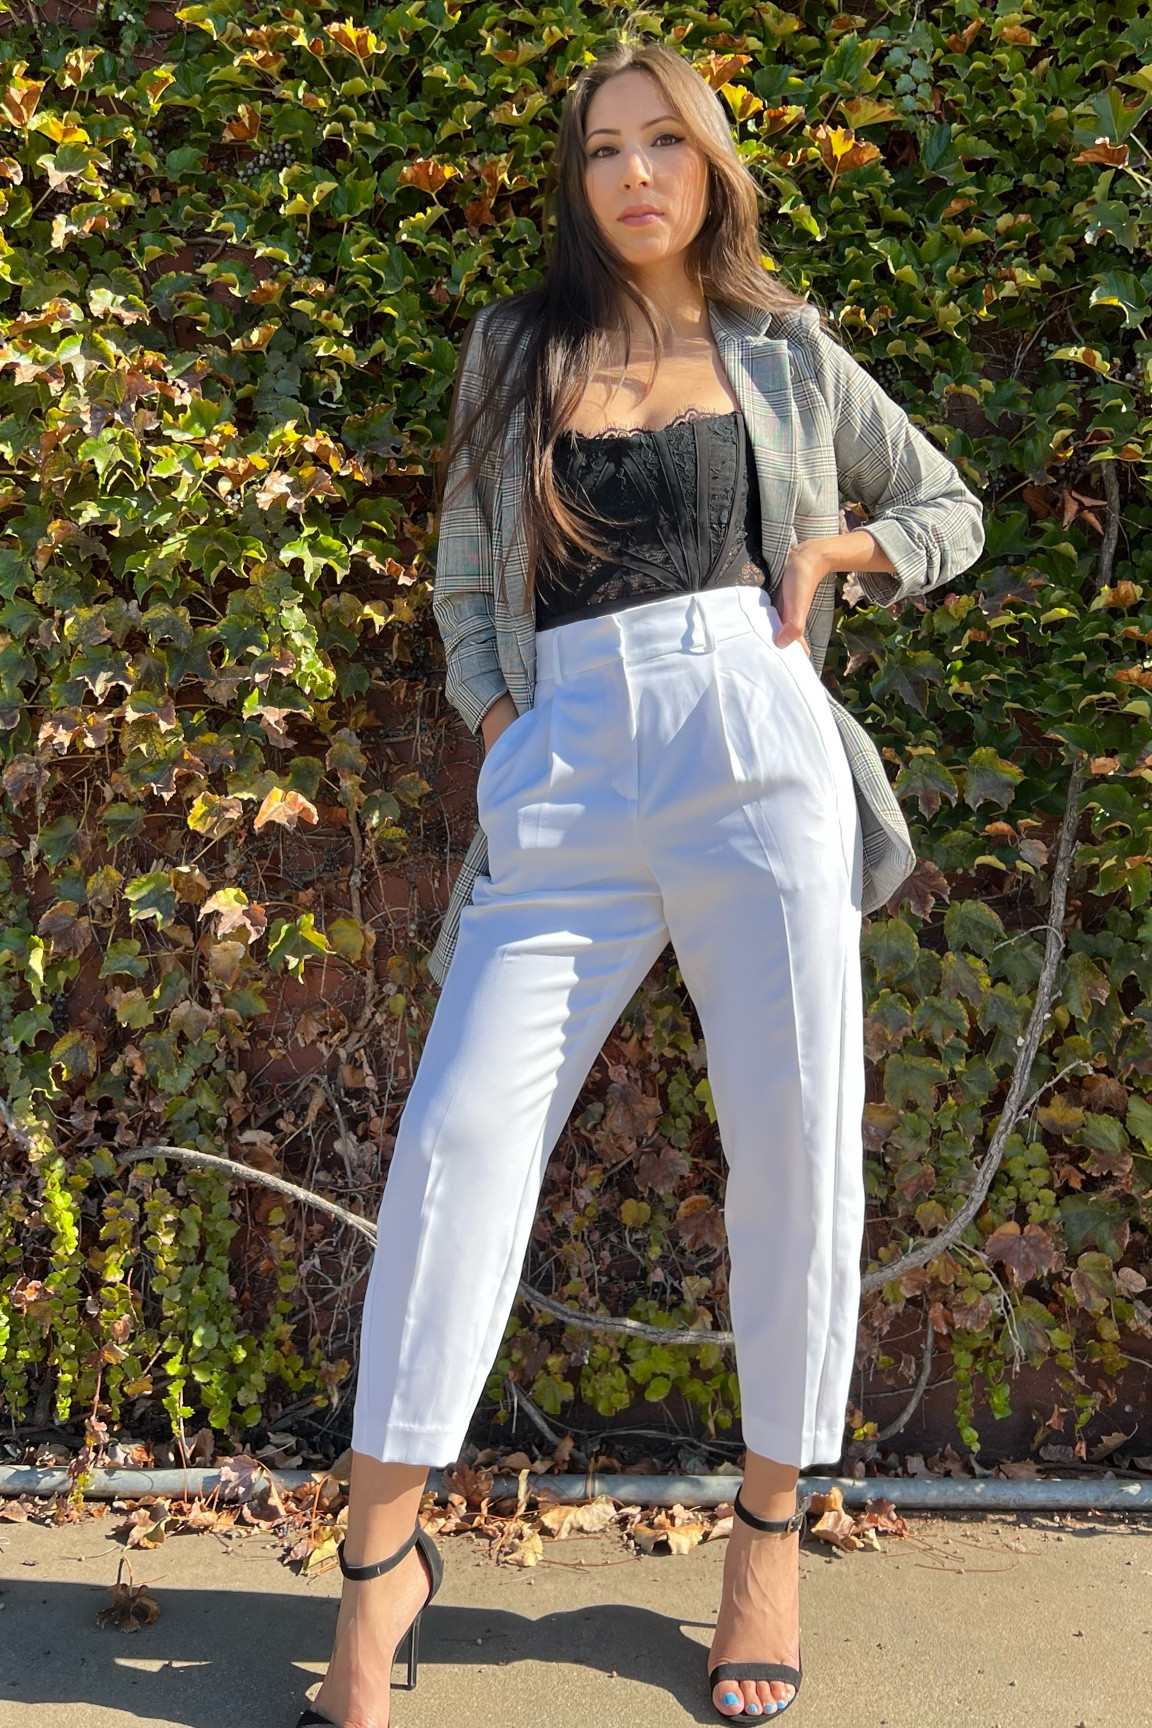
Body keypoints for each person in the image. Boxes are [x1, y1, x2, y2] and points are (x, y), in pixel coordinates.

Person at [295, 37, 984, 1728]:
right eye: (604, 148)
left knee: (799, 1143)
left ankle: (767, 1530)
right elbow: (470, 568)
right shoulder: (516, 348)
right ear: (579, 178)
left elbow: (951, 506)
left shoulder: (783, 347)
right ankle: (379, 1573)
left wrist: (838, 552)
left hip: (760, 749)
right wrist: (498, 725)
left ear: (712, 163)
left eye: (663, 142)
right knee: (459, 1141)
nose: (634, 175)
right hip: (570, 767)